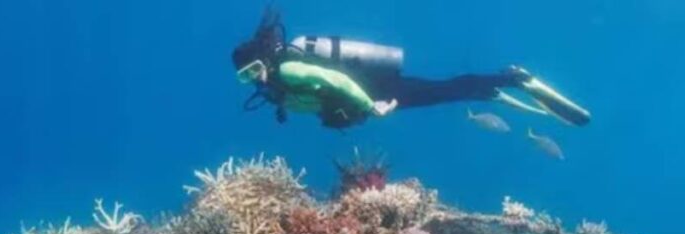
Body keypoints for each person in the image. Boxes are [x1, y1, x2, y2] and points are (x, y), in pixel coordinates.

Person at [232, 8, 591, 129]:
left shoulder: (289, 72)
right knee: (441, 92)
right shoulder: (277, 86)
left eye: (254, 69)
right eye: (246, 77)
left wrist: (369, 106)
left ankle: (512, 79)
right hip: (375, 91)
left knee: (441, 90)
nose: (255, 78)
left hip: (378, 90)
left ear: (265, 59)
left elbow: (336, 78)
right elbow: (317, 102)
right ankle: (490, 89)